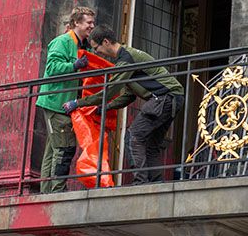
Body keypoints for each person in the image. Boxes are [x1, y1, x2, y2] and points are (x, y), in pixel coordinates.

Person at [62, 25, 184, 184]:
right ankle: (156, 183)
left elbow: (109, 91)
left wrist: (78, 103)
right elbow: (127, 96)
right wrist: (104, 108)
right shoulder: (126, 59)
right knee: (151, 145)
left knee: (133, 137)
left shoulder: (126, 59)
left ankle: (141, 182)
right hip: (172, 98)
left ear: (106, 42)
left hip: (165, 98)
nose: (96, 52)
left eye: (96, 48)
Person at [35, 7, 95, 193]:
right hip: (56, 102)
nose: (92, 26)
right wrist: (74, 65)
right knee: (64, 146)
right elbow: (52, 67)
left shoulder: (83, 45)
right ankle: (56, 191)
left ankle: (47, 190)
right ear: (77, 22)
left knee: (54, 150)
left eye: (93, 23)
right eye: (89, 23)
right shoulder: (62, 41)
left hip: (64, 103)